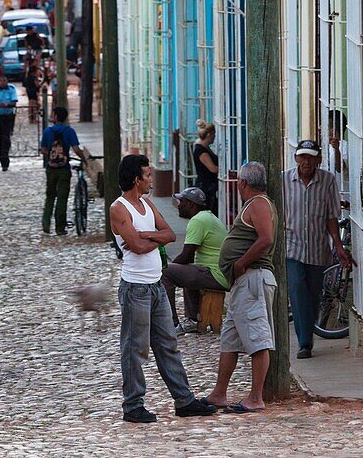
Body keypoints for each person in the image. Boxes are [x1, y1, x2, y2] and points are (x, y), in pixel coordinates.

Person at [111, 154, 217, 423]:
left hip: (156, 284)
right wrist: (148, 240)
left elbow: (169, 235)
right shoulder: (119, 208)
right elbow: (134, 246)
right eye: (147, 175)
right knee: (135, 349)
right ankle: (133, 405)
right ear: (136, 179)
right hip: (136, 288)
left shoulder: (147, 205)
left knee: (168, 344)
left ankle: (184, 400)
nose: (151, 180)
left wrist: (146, 236)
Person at [207, 161, 278, 413]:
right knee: (230, 339)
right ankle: (219, 393)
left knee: (258, 338)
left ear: (244, 183)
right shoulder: (255, 204)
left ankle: (256, 397)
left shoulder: (258, 203)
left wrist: (240, 263)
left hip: (252, 278)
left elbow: (266, 238)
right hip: (241, 283)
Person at [283, 138, 349, 359]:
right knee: (296, 287)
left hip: (318, 248)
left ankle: (307, 337)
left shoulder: (328, 181)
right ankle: (304, 343)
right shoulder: (284, 180)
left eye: (311, 157)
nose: (306, 162)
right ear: (296, 158)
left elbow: (331, 217)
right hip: (291, 247)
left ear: (319, 159)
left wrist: (338, 247)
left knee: (312, 295)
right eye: (302, 157)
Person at [161, 187, 228, 334]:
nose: (178, 205)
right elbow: (188, 259)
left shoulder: (198, 220)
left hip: (216, 274)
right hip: (220, 273)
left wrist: (165, 266)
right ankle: (192, 319)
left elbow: (186, 256)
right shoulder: (207, 217)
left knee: (165, 272)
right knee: (186, 270)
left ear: (191, 204)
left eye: (181, 201)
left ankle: (172, 324)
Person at [40, 106, 84, 236]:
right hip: (64, 168)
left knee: (50, 196)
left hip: (51, 168)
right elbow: (76, 149)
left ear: (55, 116)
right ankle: (60, 227)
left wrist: (51, 154)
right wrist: (84, 159)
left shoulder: (47, 132)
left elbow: (43, 149)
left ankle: (46, 223)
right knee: (62, 198)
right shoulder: (69, 131)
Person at [193, 120, 219, 216]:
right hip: (206, 186)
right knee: (209, 211)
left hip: (209, 185)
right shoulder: (201, 151)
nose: (214, 138)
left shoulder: (204, 147)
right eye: (214, 135)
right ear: (209, 135)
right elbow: (213, 168)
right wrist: (225, 168)